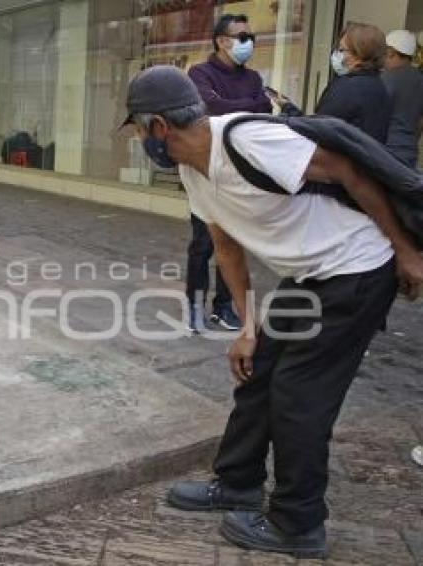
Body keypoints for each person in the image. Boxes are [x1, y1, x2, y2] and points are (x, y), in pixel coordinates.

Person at [122, 66, 423, 559]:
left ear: (159, 128)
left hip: (357, 267)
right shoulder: (193, 172)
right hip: (308, 275)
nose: (138, 139)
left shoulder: (250, 141)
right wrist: (246, 326)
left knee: (298, 392)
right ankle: (237, 483)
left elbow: (351, 171)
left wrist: (405, 249)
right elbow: (226, 247)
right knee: (260, 370)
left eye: (137, 128)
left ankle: (297, 523)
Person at [183, 14, 271, 333]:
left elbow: (266, 110)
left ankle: (224, 307)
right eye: (242, 36)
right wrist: (250, 106)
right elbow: (212, 107)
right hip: (205, 168)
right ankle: (194, 307)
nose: (249, 42)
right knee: (203, 244)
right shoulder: (199, 73)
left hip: (239, 171)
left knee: (232, 241)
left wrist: (239, 105)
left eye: (250, 36)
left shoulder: (252, 77)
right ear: (221, 40)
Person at [272, 23, 391, 143]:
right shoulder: (379, 86)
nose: (337, 54)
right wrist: (290, 109)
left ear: (359, 55)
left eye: (341, 50)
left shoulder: (347, 87)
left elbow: (318, 133)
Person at [382, 29, 423, 168]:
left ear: (391, 53)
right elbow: (420, 123)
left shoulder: (385, 79)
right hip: (409, 151)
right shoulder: (420, 80)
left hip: (385, 150)